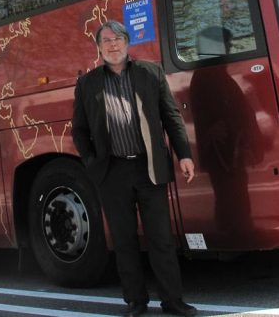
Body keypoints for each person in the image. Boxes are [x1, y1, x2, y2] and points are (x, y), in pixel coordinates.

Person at [71, 20, 198, 317]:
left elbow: (171, 116)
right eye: (106, 40)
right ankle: (135, 301)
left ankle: (173, 301)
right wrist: (91, 162)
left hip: (149, 167)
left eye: (117, 39)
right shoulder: (87, 83)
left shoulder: (150, 73)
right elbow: (79, 130)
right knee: (124, 241)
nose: (112, 44)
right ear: (99, 48)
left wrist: (184, 155)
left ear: (127, 42)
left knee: (161, 238)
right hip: (112, 172)